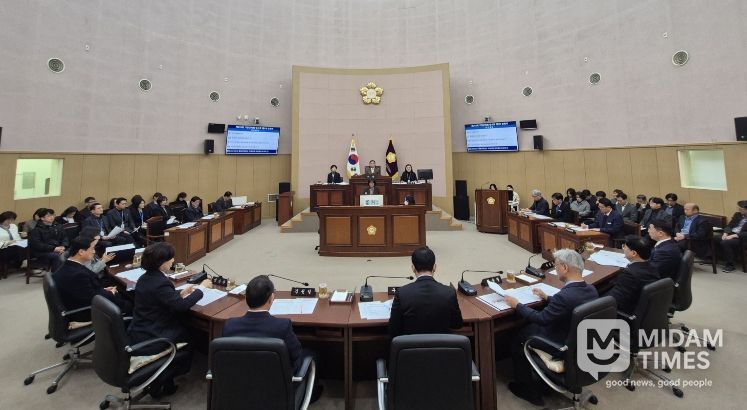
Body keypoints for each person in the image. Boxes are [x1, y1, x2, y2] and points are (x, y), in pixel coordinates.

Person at [504, 249, 598, 406]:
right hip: (582, 342)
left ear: (565, 267)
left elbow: (541, 319)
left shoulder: (565, 296)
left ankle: (528, 390)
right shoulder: (591, 290)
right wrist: (547, 297)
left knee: (519, 337)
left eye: (556, 265)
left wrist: (517, 305)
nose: (555, 269)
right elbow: (570, 304)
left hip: (561, 344)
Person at [127, 242, 212, 397]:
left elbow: (159, 298)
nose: (173, 261)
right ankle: (163, 379)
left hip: (140, 329)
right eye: (171, 258)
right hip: (154, 335)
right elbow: (181, 306)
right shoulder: (160, 283)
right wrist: (202, 288)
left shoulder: (145, 278)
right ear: (161, 263)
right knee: (191, 335)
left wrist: (179, 294)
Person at [222, 274, 324, 402]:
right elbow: (296, 354)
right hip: (276, 389)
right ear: (271, 298)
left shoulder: (230, 325)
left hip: (240, 387)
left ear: (246, 298)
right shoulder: (282, 326)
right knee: (311, 354)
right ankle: (310, 394)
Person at [52, 236, 131, 322]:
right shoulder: (78, 275)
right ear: (81, 252)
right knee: (131, 304)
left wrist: (103, 290)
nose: (94, 251)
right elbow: (92, 299)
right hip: (87, 312)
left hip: (82, 302)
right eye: (92, 249)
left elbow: (86, 291)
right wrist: (110, 293)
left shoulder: (68, 266)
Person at [388, 247, 463, 338]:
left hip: (411, 346)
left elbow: (394, 329)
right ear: (434, 267)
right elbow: (457, 324)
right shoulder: (449, 292)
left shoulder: (402, 293)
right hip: (442, 346)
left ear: (413, 268)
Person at [604, 235, 660, 314]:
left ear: (633, 253)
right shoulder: (652, 267)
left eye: (625, 247)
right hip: (645, 309)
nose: (623, 249)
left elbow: (615, 300)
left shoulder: (630, 274)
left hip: (626, 313)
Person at [714, 200, 747, 272]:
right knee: (715, 238)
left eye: (741, 209)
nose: (739, 210)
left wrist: (734, 236)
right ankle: (714, 259)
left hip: (742, 238)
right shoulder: (737, 214)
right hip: (731, 233)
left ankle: (730, 265)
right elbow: (729, 225)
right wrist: (725, 233)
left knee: (725, 242)